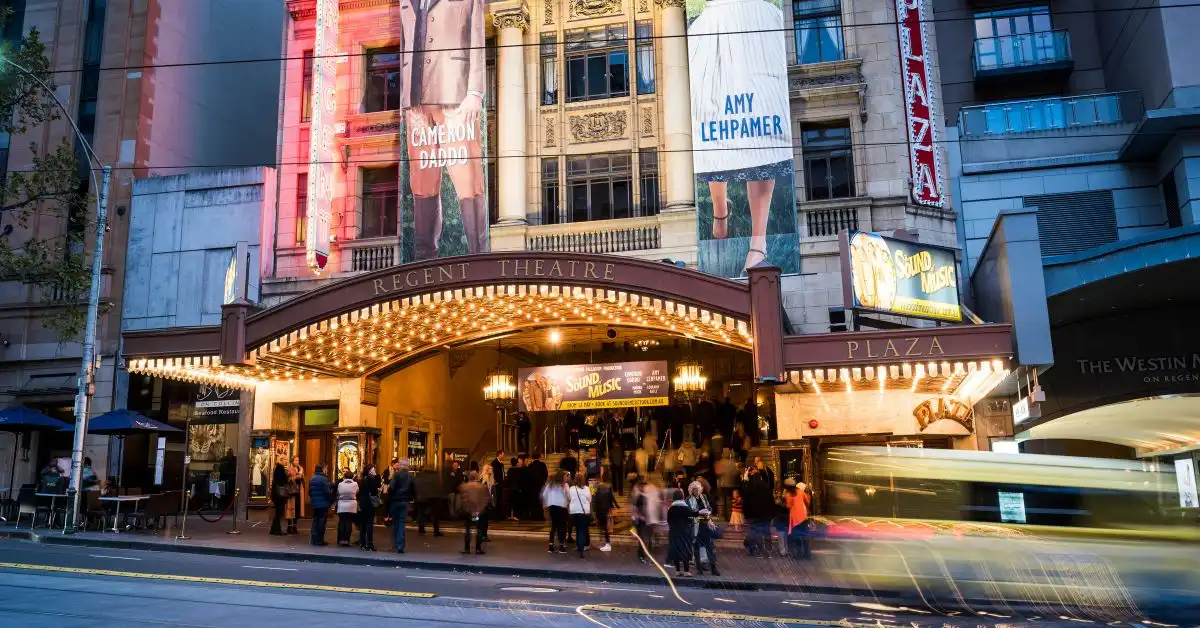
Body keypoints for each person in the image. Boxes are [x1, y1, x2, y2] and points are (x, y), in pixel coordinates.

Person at [687, 481, 720, 576]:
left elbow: (709, 508)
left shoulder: (704, 497)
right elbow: (689, 515)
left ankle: (713, 568)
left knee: (709, 547)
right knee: (696, 549)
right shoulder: (688, 500)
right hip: (695, 527)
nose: (697, 491)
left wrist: (707, 513)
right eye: (695, 489)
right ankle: (699, 569)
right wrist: (700, 514)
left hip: (704, 526)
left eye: (698, 488)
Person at [666, 489, 697, 576]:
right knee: (685, 550)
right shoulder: (685, 508)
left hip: (673, 533)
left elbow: (668, 520)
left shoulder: (671, 509)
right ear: (682, 497)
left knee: (676, 550)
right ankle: (686, 571)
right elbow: (692, 516)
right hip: (684, 533)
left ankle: (677, 571)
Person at [459, 471, 490, 555]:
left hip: (468, 512)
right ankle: (478, 548)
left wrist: (468, 510)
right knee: (478, 529)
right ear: (477, 477)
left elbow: (464, 500)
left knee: (468, 530)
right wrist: (479, 510)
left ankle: (467, 548)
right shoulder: (482, 487)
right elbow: (485, 500)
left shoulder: (464, 486)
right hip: (477, 512)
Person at [388, 459, 414, 553]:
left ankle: (397, 543)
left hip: (395, 501)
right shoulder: (410, 476)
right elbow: (413, 488)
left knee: (395, 522)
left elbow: (391, 488)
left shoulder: (396, 475)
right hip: (405, 501)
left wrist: (390, 497)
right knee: (401, 522)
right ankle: (400, 545)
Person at [542, 471, 569, 554]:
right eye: (565, 476)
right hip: (561, 507)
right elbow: (569, 496)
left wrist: (549, 501)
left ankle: (551, 546)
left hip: (552, 507)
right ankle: (561, 546)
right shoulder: (564, 485)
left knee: (554, 526)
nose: (566, 478)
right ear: (561, 477)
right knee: (561, 526)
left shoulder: (550, 485)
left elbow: (544, 495)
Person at [566, 473, 592, 558]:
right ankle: (581, 550)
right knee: (582, 530)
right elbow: (590, 500)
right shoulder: (586, 489)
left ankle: (578, 546)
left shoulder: (571, 488)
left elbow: (569, 499)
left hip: (573, 512)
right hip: (583, 512)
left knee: (577, 529)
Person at [592, 468, 618, 552]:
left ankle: (607, 543)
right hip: (606, 508)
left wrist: (594, 509)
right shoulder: (609, 486)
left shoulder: (598, 486)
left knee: (603, 526)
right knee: (605, 526)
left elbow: (594, 498)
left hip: (600, 509)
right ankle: (606, 542)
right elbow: (611, 497)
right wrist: (615, 506)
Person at [785, 481, 812, 559]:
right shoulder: (800, 492)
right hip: (803, 517)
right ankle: (807, 554)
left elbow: (788, 506)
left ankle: (799, 555)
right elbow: (807, 501)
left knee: (796, 538)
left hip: (796, 519)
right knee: (805, 537)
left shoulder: (788, 495)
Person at [357, 464, 381, 551]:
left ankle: (362, 543)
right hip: (370, 503)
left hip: (362, 503)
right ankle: (369, 544)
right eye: (373, 469)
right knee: (369, 523)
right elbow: (377, 486)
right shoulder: (372, 479)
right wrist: (376, 476)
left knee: (363, 523)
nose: (374, 470)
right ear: (369, 470)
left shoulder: (362, 480)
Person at [308, 464, 333, 545]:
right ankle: (320, 539)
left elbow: (310, 492)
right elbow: (327, 492)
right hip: (323, 503)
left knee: (315, 520)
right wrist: (330, 500)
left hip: (314, 503)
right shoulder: (324, 479)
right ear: (322, 470)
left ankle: (314, 539)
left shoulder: (312, 479)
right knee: (322, 520)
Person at [414, 468, 444, 536]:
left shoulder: (420, 477)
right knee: (435, 515)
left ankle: (421, 529)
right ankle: (436, 531)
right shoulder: (435, 477)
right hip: (434, 497)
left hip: (422, 497)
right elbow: (439, 487)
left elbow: (416, 486)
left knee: (421, 513)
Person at [335, 470, 359, 546]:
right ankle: (347, 540)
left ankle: (342, 539)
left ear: (344, 477)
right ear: (352, 477)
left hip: (342, 505)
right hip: (351, 505)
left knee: (342, 522)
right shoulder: (355, 484)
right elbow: (357, 491)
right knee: (349, 522)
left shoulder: (340, 484)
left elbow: (338, 492)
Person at [270, 455, 290, 536]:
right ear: (281, 460)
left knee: (278, 512)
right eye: (285, 459)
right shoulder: (280, 468)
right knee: (279, 512)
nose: (286, 461)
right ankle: (276, 530)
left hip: (276, 494)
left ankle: (274, 529)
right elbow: (281, 481)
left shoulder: (278, 467)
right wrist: (287, 476)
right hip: (279, 494)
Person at [527, 452, 548, 521]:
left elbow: (528, 476)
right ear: (539, 457)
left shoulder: (530, 466)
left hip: (532, 486)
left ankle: (533, 515)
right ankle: (540, 516)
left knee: (533, 500)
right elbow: (545, 474)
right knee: (540, 501)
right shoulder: (542, 465)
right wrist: (543, 481)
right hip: (540, 485)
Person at [478, 463, 496, 542]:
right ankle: (481, 535)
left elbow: (492, 492)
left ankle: (484, 535)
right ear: (486, 469)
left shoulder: (491, 479)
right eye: (490, 469)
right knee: (482, 519)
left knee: (485, 520)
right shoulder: (482, 479)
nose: (492, 470)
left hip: (488, 502)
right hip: (482, 502)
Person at [287, 456, 304, 535]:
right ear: (292, 461)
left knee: (297, 509)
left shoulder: (301, 468)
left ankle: (295, 527)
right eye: (296, 460)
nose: (297, 462)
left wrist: (301, 474)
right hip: (292, 491)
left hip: (299, 491)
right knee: (291, 509)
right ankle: (289, 527)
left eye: (298, 460)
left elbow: (302, 478)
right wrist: (298, 476)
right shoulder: (289, 468)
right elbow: (288, 479)